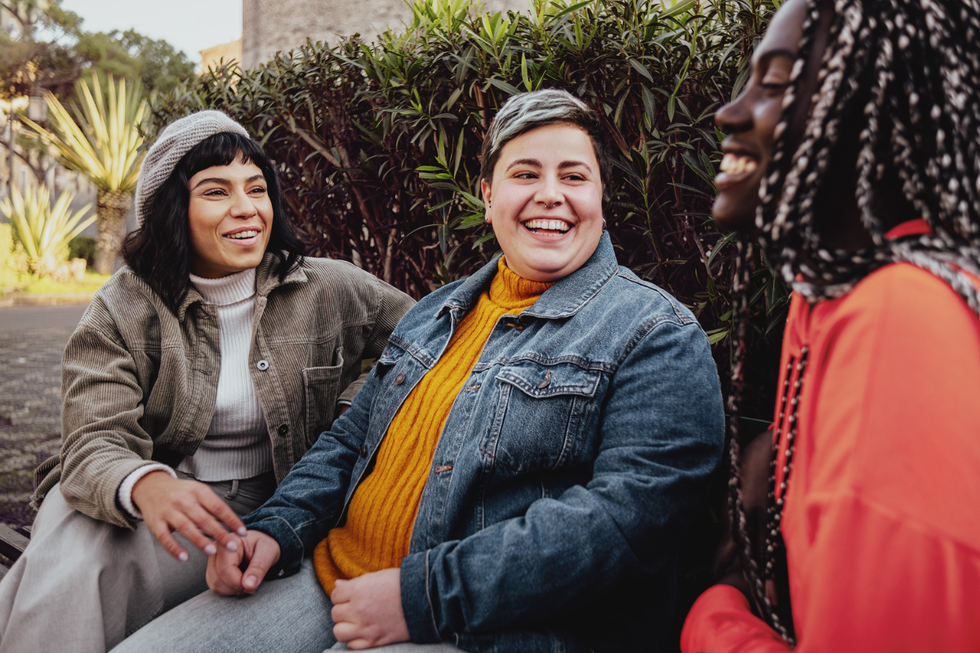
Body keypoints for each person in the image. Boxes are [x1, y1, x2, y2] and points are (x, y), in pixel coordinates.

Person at [115, 89, 725, 653]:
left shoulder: (654, 334)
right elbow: (353, 441)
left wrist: (424, 594)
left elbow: (627, 524)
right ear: (488, 198)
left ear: (599, 198)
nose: (550, 194)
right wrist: (274, 530)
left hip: (488, 624)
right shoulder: (440, 311)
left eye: (574, 176)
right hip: (334, 576)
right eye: (524, 174)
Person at [0, 110, 415, 653]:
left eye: (257, 189)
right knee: (78, 534)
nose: (246, 209)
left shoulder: (329, 288)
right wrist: (147, 485)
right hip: (156, 500)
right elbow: (93, 439)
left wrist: (353, 410)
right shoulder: (121, 308)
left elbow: (430, 346)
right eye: (216, 191)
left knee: (56, 565)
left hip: (267, 515)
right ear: (174, 211)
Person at [681, 0, 980, 650]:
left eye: (779, 79)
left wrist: (715, 619)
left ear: (888, 103)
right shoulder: (828, 302)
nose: (730, 113)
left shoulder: (902, 318)